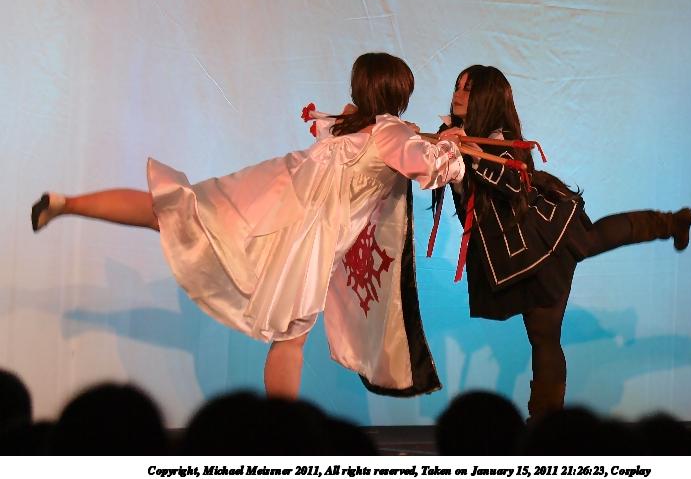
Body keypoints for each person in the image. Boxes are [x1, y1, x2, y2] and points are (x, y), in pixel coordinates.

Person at [31, 53, 466, 399]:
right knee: (290, 341)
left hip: (267, 201)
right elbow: (431, 168)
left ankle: (67, 203)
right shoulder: (390, 132)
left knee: (167, 210)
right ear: (400, 93)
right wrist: (450, 145)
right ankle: (279, 438)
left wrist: (411, 132)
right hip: (305, 239)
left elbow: (365, 141)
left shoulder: (347, 125)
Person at [433, 65, 691, 420]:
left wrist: (471, 152)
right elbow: (430, 168)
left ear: (487, 97)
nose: (458, 93)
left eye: (468, 88)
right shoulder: (452, 135)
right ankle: (671, 223)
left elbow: (511, 182)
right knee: (546, 329)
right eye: (458, 86)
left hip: (540, 239)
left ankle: (543, 424)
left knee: (549, 326)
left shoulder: (498, 139)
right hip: (514, 251)